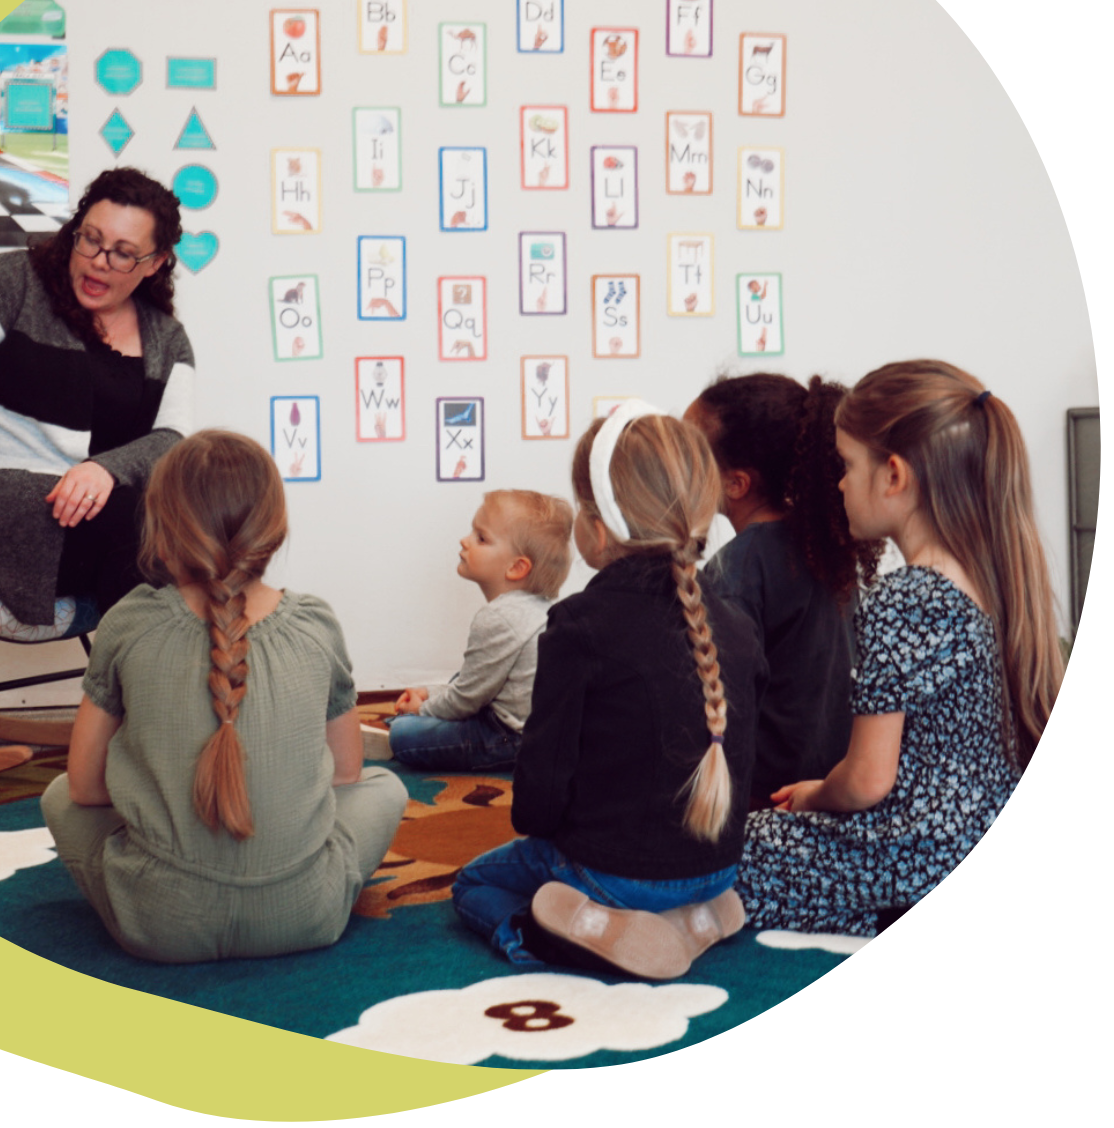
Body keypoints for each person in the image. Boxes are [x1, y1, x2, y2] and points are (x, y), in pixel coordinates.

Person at [41, 430, 409, 963]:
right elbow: (346, 774)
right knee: (386, 788)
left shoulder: (130, 621)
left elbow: (85, 786)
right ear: (274, 532)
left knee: (56, 795)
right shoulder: (315, 623)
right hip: (308, 913)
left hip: (157, 924)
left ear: (162, 529)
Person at [737, 361, 1061, 937]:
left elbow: (865, 781)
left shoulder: (905, 598)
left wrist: (814, 794)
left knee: (737, 847)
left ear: (894, 476)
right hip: (967, 836)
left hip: (913, 857)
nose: (837, 484)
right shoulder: (997, 579)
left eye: (847, 465)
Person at [452, 403, 767, 980]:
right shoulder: (738, 625)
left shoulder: (579, 625)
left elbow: (537, 803)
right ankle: (690, 917)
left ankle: (558, 938)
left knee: (476, 882)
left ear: (599, 527)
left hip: (614, 873)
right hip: (721, 867)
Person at [0, 167, 194, 626]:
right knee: (142, 529)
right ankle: (159, 690)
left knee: (184, 528)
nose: (99, 260)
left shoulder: (167, 338)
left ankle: (158, 683)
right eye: (90, 239)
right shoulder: (12, 280)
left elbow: (172, 440)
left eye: (123, 254)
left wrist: (105, 469)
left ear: (154, 263)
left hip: (87, 512)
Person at [684, 373, 885, 806]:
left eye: (688, 453)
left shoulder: (733, 574)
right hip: (827, 794)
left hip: (769, 806)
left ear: (736, 483)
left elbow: (716, 718)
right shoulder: (824, 549)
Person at [388, 490, 573, 772]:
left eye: (481, 538)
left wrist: (421, 709)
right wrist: (429, 692)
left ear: (516, 567)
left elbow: (466, 700)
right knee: (460, 677)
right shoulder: (534, 608)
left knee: (403, 735)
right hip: (530, 722)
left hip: (512, 737)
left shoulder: (498, 617)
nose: (465, 540)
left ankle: (415, 721)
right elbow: (472, 684)